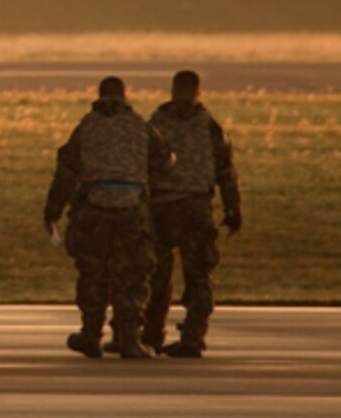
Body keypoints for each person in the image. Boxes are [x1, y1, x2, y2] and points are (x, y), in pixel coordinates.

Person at [43, 76, 173, 359]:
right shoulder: (141, 127)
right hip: (131, 211)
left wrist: (53, 210)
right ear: (125, 96)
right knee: (133, 275)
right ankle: (129, 339)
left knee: (93, 273)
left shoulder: (87, 128)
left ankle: (90, 335)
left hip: (94, 207)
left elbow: (66, 171)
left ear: (99, 95)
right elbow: (165, 161)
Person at [144, 69, 241, 357]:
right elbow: (226, 171)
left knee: (157, 275)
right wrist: (233, 207)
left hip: (162, 207)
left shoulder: (155, 122)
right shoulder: (210, 126)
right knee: (198, 275)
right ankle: (193, 336)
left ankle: (151, 334)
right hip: (197, 207)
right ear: (198, 92)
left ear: (173, 90)